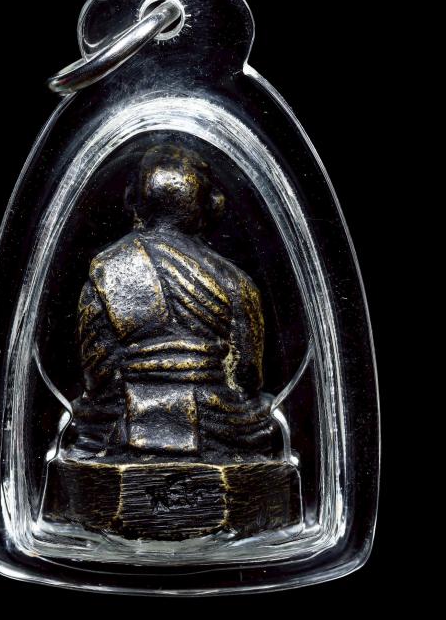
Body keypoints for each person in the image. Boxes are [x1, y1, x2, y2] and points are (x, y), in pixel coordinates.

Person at [61, 145, 282, 461]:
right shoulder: (235, 281)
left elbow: (96, 374)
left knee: (83, 420)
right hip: (216, 421)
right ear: (210, 205)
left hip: (127, 420)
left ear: (133, 200)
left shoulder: (108, 270)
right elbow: (248, 377)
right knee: (266, 415)